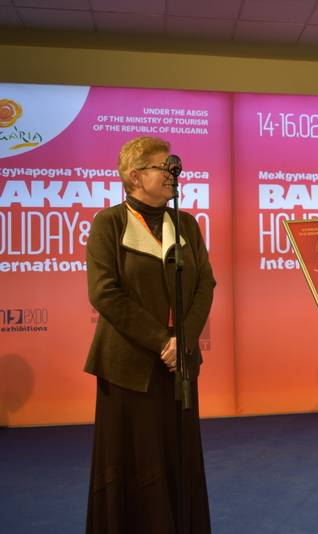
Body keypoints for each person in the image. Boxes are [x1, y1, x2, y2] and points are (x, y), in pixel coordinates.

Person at [84, 136, 215, 534]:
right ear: (135, 175)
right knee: (134, 463)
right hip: (128, 366)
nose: (172, 173)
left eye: (174, 167)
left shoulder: (186, 223)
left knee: (178, 460)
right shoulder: (109, 223)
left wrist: (184, 341)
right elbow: (104, 292)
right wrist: (162, 341)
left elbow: (204, 285)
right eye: (163, 167)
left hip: (180, 365)